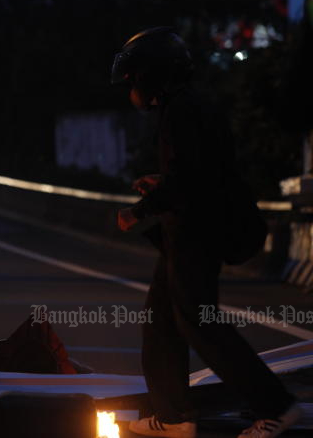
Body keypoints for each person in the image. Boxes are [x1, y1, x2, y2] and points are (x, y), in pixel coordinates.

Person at [112, 27, 301, 438]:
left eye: (133, 79)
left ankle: (276, 408)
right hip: (187, 231)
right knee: (162, 321)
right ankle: (175, 417)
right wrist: (160, 183)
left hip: (196, 235)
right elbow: (194, 172)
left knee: (202, 324)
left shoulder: (182, 111)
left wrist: (139, 211)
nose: (130, 89)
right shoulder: (188, 106)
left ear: (152, 75)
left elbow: (192, 182)